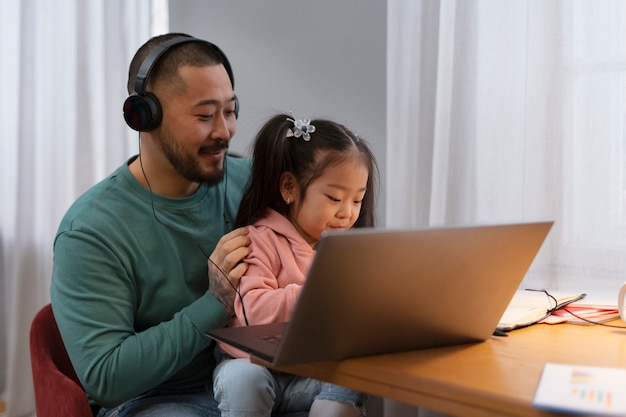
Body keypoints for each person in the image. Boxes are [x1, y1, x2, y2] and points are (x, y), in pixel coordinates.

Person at [50, 33, 254, 416]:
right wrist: (215, 303)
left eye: (230, 111)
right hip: (154, 399)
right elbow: (107, 378)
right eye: (205, 115)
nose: (225, 132)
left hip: (252, 378)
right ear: (143, 117)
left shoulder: (251, 182)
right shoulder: (91, 230)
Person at [213, 112, 379, 417]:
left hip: (309, 379)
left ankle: (333, 409)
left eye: (357, 200)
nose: (347, 213)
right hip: (253, 368)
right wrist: (319, 295)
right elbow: (255, 312)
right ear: (289, 187)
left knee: (359, 365)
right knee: (243, 379)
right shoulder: (258, 239)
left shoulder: (347, 252)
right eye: (334, 198)